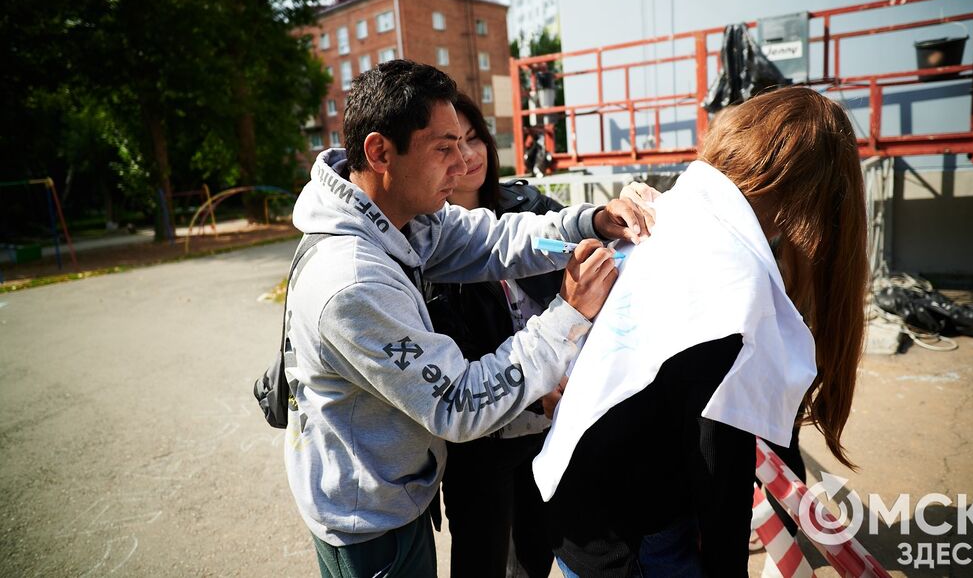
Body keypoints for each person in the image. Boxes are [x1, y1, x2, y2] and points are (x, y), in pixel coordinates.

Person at [282, 59, 651, 577]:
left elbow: (493, 239)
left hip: (394, 493)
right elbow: (458, 401)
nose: (462, 165)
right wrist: (567, 314)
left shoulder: (397, 219)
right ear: (379, 152)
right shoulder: (353, 281)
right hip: (368, 523)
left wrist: (588, 222)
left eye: (464, 142)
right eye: (443, 148)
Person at [534, 86, 868, 577]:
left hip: (579, 498)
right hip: (636, 535)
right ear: (808, 196)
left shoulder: (675, 216)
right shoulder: (732, 281)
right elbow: (718, 460)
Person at [422, 93, 562, 578]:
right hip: (483, 436)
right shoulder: (423, 245)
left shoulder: (531, 207)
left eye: (474, 137)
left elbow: (586, 281)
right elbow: (447, 360)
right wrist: (530, 397)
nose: (468, 154)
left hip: (554, 424)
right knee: (483, 557)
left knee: (538, 553)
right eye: (450, 145)